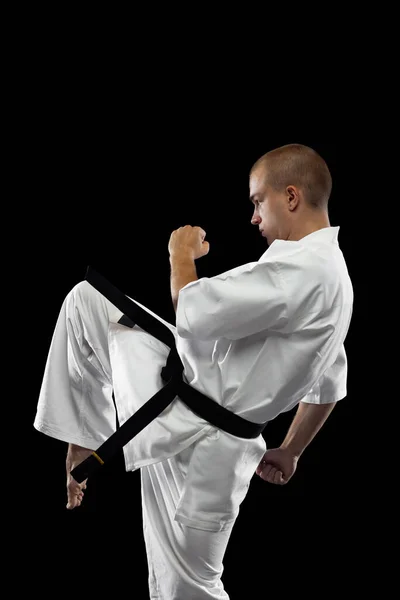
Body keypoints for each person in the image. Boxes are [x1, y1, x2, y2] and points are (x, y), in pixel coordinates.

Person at [34, 143, 353, 599]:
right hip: (183, 401)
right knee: (87, 303)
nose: (254, 217)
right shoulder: (335, 278)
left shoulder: (299, 271)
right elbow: (328, 384)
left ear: (291, 196)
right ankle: (83, 440)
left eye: (257, 201)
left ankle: (85, 440)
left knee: (186, 589)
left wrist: (179, 253)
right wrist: (291, 451)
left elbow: (191, 309)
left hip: (202, 445)